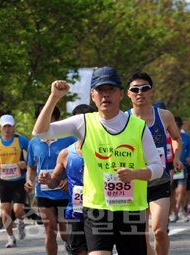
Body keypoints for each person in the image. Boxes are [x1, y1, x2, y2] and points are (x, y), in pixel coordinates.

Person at [33, 66, 163, 255]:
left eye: (110, 90)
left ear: (120, 94)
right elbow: (39, 132)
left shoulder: (138, 126)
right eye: (100, 90)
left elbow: (157, 168)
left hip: (131, 209)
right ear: (92, 95)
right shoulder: (83, 123)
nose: (105, 95)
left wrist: (135, 174)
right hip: (96, 209)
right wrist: (54, 97)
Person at [126, 72, 183, 255]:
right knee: (141, 235)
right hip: (135, 183)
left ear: (152, 92)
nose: (140, 92)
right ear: (128, 94)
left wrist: (176, 157)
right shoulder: (122, 119)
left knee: (159, 231)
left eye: (144, 88)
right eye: (135, 89)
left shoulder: (164, 116)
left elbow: (176, 138)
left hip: (159, 181)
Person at [38, 104, 97, 255]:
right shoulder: (66, 153)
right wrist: (47, 180)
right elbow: (54, 182)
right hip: (75, 212)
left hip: (99, 212)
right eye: (76, 122)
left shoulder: (104, 151)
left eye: (84, 122)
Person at [25, 104, 76, 255]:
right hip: (44, 193)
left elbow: (78, 161)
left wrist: (69, 180)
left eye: (49, 117)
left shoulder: (69, 139)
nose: (45, 120)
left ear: (57, 119)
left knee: (66, 234)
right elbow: (32, 167)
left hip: (64, 192)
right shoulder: (34, 141)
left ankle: (73, 247)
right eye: (42, 117)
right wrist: (29, 180)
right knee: (50, 231)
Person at [0, 114, 30, 247]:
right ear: (0, 127)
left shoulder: (21, 140)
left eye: (9, 126)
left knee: (18, 210)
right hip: (4, 181)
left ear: (13, 127)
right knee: (6, 211)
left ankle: (21, 222)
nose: (7, 129)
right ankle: (11, 237)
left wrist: (26, 163)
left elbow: (32, 156)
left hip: (19, 180)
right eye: (4, 126)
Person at [172, 116, 190, 222]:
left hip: (182, 167)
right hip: (170, 168)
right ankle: (174, 213)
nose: (177, 127)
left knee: (182, 190)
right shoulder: (167, 136)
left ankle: (182, 210)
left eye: (178, 126)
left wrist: (189, 156)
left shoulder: (186, 136)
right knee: (171, 193)